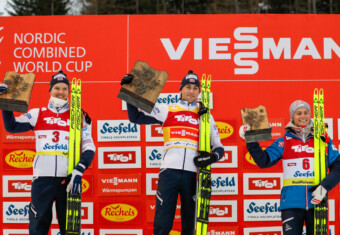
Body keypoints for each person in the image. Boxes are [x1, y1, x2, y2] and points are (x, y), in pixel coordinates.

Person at [121, 70, 224, 235]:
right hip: (169, 172)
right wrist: (129, 90)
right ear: (181, 89)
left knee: (189, 226)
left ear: (199, 91)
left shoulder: (205, 116)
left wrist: (211, 157)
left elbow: (219, 148)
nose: (191, 91)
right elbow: (135, 118)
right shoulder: (167, 109)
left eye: (195, 88)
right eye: (188, 87)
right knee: (163, 224)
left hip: (192, 175)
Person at [2, 70, 96, 235]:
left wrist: (79, 169)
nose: (60, 92)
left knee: (70, 230)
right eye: (57, 88)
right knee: (38, 228)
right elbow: (12, 127)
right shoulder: (37, 113)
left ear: (69, 91)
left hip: (68, 180)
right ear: (50, 90)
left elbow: (89, 147)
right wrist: (5, 103)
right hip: (42, 181)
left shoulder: (79, 116)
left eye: (64, 88)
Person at [239, 100, 340, 235]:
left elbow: (338, 166)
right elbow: (263, 161)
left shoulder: (322, 140)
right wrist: (250, 140)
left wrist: (324, 187)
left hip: (317, 202)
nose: (303, 116)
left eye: (305, 112)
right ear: (292, 116)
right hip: (291, 204)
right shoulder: (284, 142)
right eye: (298, 113)